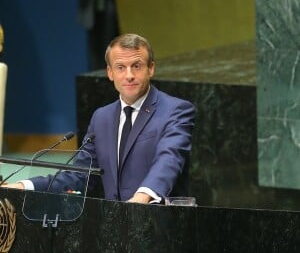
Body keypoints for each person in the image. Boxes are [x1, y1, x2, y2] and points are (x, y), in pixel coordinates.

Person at [4, 33, 196, 204]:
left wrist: (141, 198)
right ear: (110, 73)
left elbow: (169, 160)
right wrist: (23, 186)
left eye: (136, 66)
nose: (129, 75)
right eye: (120, 67)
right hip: (111, 231)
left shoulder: (175, 110)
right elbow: (79, 176)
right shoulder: (101, 117)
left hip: (160, 227)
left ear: (150, 69)